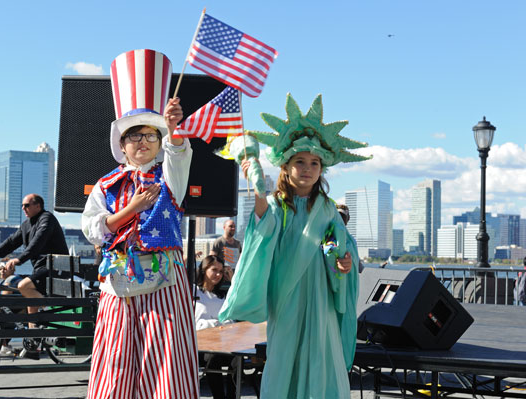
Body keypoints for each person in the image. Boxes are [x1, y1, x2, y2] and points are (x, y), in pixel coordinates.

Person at [219, 94, 370, 398]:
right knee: (284, 359)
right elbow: (263, 228)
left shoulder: (328, 209)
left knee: (322, 358)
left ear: (322, 169)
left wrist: (344, 264)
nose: (308, 168)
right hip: (286, 298)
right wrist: (258, 185)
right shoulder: (277, 205)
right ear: (285, 166)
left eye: (315, 163)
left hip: (321, 299)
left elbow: (339, 248)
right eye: (300, 161)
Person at [81, 49, 198, 399]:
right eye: (135, 135)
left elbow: (179, 157)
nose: (143, 142)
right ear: (122, 144)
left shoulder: (168, 179)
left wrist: (174, 131)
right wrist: (130, 209)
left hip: (165, 281)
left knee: (165, 361)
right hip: (119, 281)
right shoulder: (106, 184)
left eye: (151, 135)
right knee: (114, 359)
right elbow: (93, 229)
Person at [0, 193, 69, 329]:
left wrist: (19, 260)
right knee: (31, 304)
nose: (23, 208)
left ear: (38, 206)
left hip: (56, 267)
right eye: (22, 206)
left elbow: (38, 242)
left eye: (26, 205)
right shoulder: (27, 224)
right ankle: (34, 341)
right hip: (40, 268)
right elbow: (12, 242)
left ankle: (48, 311)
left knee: (23, 286)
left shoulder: (46, 219)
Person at [195, 255, 235, 399]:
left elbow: (230, 319)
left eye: (221, 271)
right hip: (200, 345)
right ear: (204, 270)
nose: (218, 275)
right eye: (214, 270)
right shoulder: (194, 292)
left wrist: (232, 280)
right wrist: (216, 324)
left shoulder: (222, 296)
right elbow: (194, 323)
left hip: (221, 343)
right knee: (214, 359)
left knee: (237, 359)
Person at [337, 203, 364, 272]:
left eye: (343, 217)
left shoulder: (351, 241)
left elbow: (358, 265)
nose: (340, 219)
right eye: (338, 216)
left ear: (348, 219)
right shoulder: (325, 237)